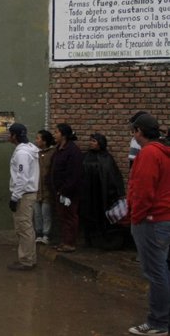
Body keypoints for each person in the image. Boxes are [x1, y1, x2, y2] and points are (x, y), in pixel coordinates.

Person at [126, 114, 170, 336]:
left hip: (151, 221)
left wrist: (136, 217)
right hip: (163, 219)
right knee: (162, 269)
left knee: (156, 272)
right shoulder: (162, 152)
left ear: (139, 131)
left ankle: (159, 322)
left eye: (133, 131)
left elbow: (143, 191)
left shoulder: (150, 154)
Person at [81, 133, 126, 250]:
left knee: (102, 216)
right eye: (90, 140)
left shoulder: (107, 158)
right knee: (88, 215)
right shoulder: (85, 156)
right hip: (88, 193)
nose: (91, 143)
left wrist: (117, 193)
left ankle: (104, 240)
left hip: (102, 194)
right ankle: (89, 239)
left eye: (94, 141)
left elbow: (113, 176)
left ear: (100, 143)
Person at [6, 123, 40, 271]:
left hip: (24, 195)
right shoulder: (29, 150)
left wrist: (15, 197)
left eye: (10, 134)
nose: (9, 136)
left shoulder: (22, 154)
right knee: (27, 227)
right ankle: (29, 258)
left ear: (14, 136)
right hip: (27, 193)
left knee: (23, 228)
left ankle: (26, 261)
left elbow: (22, 177)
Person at [49, 123, 84, 253]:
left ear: (63, 135)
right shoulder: (59, 149)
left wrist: (66, 191)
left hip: (69, 193)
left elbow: (75, 174)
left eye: (57, 132)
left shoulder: (73, 151)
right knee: (63, 217)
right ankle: (64, 241)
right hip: (59, 191)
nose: (55, 134)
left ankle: (70, 243)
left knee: (70, 217)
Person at [34, 130, 56, 245]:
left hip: (47, 189)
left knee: (46, 213)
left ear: (44, 141)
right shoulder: (35, 153)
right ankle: (38, 233)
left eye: (38, 138)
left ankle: (46, 234)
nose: (36, 141)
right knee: (37, 213)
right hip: (36, 188)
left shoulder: (52, 153)